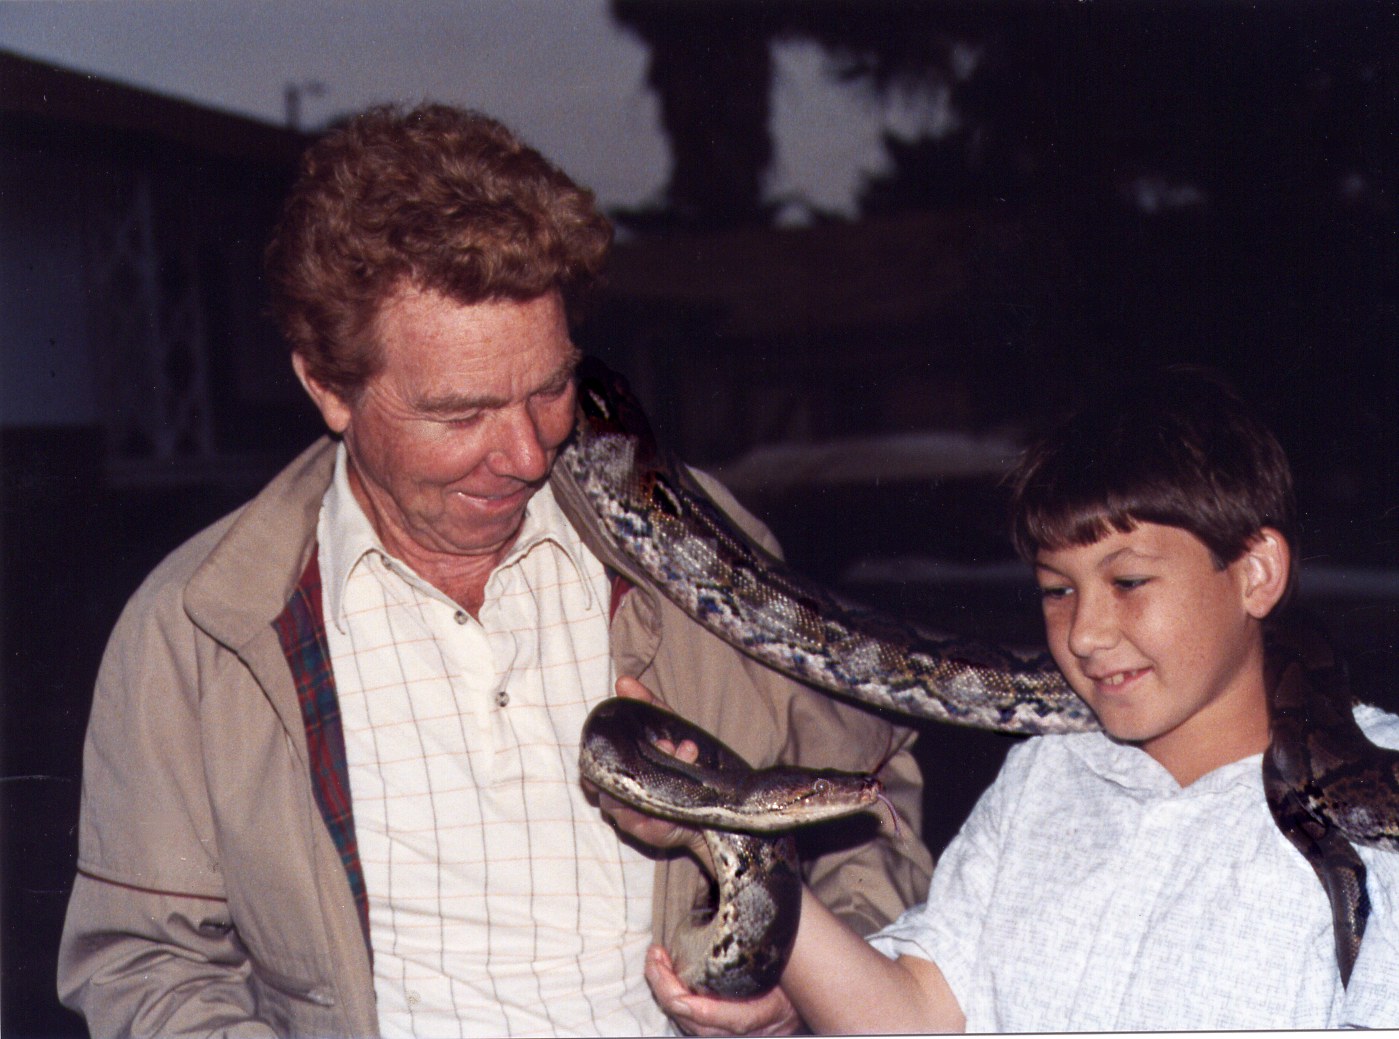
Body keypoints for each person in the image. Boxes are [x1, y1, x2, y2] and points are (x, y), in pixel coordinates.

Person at [56, 102, 933, 1038]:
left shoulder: (700, 554)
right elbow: (147, 961)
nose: (523, 452)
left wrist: (814, 986)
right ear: (326, 384)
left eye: (551, 387)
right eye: (459, 412)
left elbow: (872, 808)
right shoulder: (200, 629)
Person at [626, 367, 1399, 1032]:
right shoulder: (1045, 777)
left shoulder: (1380, 818)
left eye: (1129, 581)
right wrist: (719, 820)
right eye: (1056, 590)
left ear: (1256, 572)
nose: (1086, 633)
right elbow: (920, 1016)